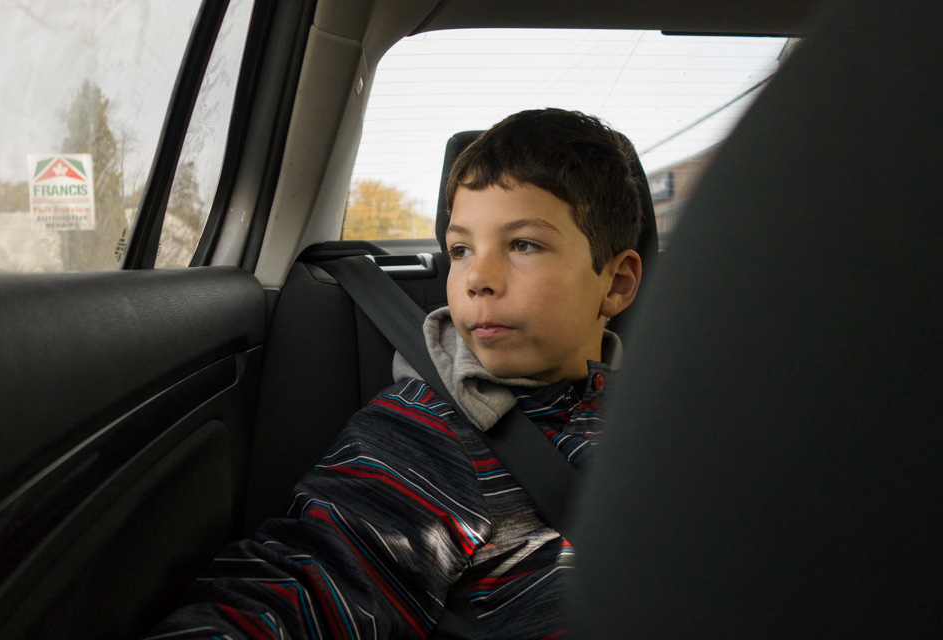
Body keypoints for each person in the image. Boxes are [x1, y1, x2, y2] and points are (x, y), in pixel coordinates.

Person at [145, 108, 644, 639]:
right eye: (460, 249)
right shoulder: (427, 432)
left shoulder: (674, 413)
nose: (477, 277)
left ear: (615, 283)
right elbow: (310, 584)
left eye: (523, 244)